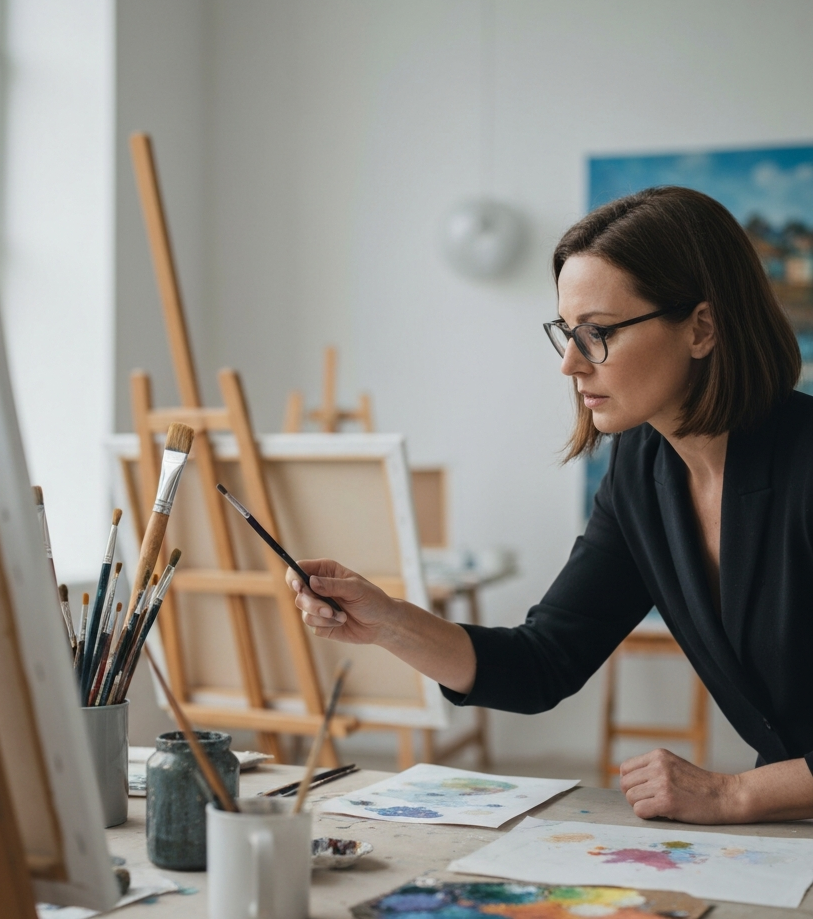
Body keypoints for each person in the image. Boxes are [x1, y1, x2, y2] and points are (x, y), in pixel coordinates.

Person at [286, 186, 813, 825]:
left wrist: (735, 795)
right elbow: (543, 661)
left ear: (701, 327)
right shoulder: (642, 471)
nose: (569, 364)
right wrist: (389, 620)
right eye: (567, 332)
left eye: (596, 334)